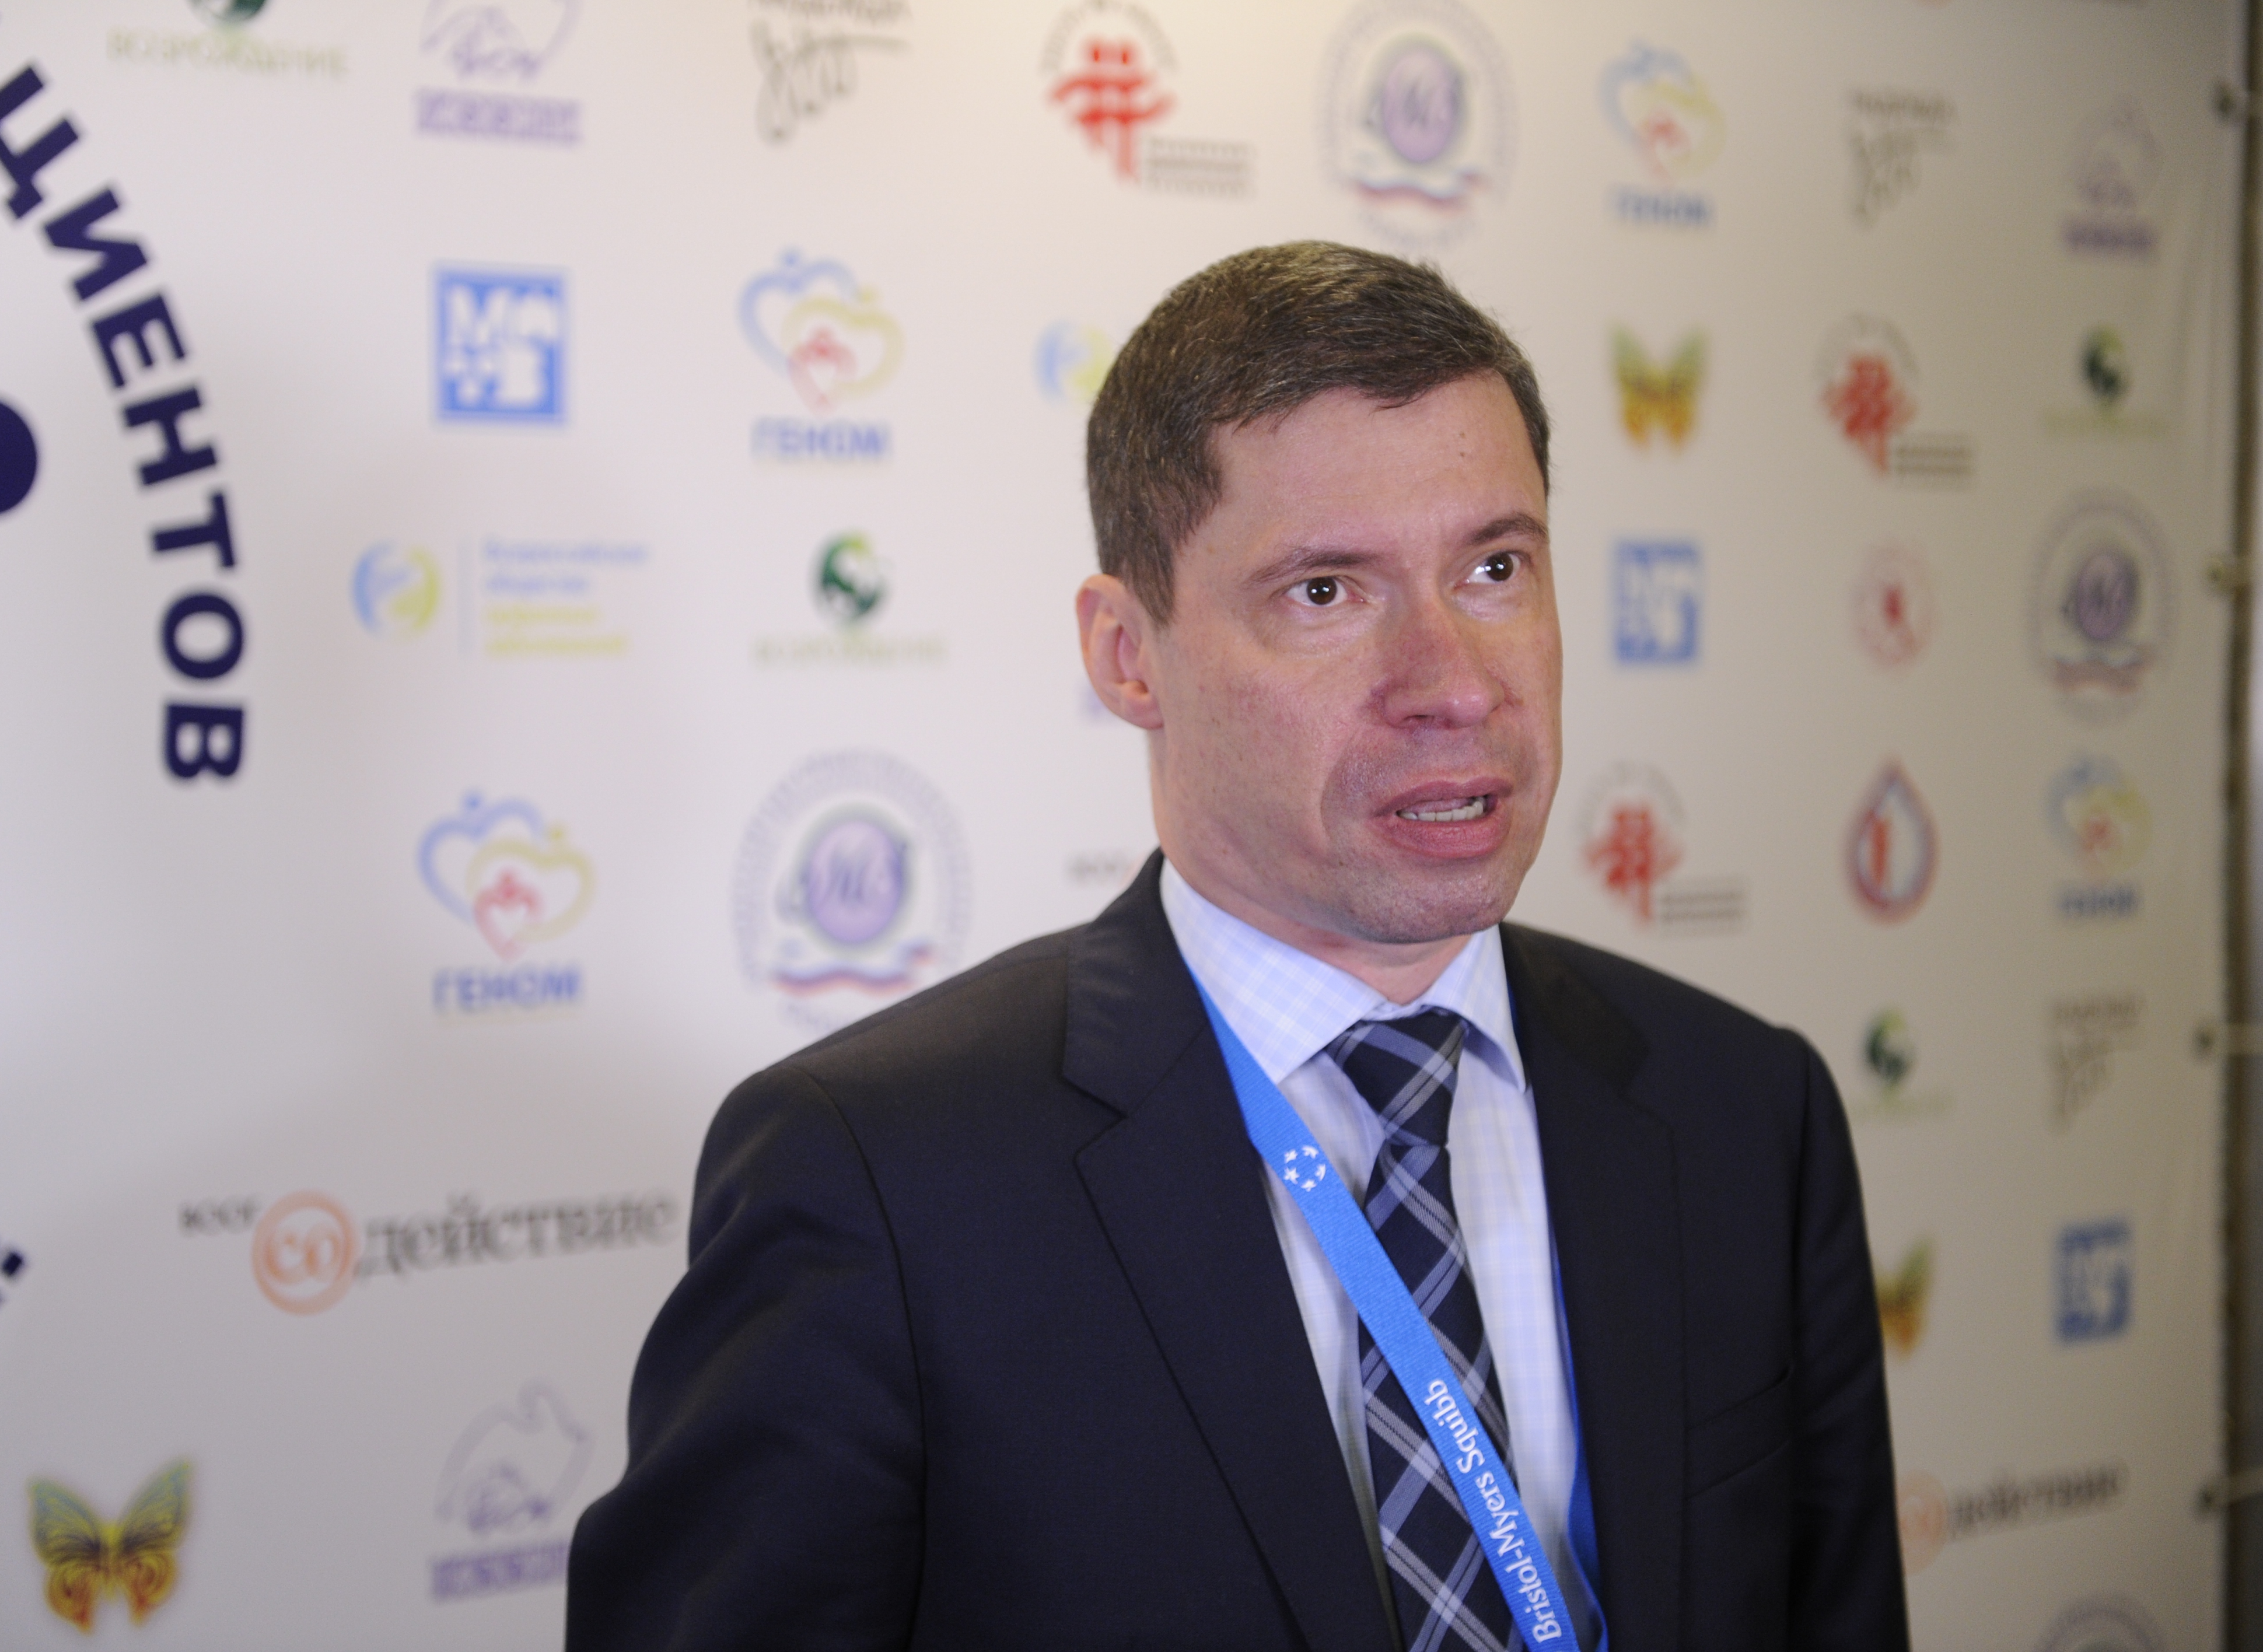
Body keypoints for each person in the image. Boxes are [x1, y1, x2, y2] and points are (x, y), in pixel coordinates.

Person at [566, 242, 1907, 1652]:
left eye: (1494, 567)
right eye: (1325, 592)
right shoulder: (880, 1181)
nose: (1455, 685)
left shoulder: (1744, 1109)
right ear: (1126, 654)